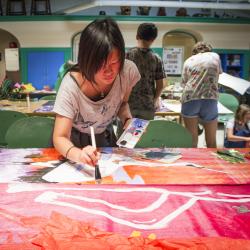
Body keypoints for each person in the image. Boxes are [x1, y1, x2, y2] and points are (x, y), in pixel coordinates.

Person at [53, 18, 141, 166]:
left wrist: (127, 119)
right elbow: (60, 137)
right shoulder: (71, 85)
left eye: (114, 62)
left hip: (105, 137)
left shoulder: (127, 71)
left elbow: (122, 103)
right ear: (86, 60)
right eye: (101, 64)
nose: (109, 71)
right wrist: (79, 154)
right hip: (73, 142)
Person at [181, 41, 223, 148]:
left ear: (194, 51)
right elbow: (217, 75)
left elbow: (184, 83)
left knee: (192, 140)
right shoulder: (214, 56)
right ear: (209, 50)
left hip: (190, 98)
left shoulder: (188, 60)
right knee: (211, 141)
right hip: (210, 98)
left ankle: (194, 163)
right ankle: (211, 163)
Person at [126, 23, 166, 120]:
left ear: (137, 36)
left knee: (125, 134)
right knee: (144, 134)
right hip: (147, 106)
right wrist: (154, 99)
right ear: (153, 39)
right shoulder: (157, 59)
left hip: (127, 105)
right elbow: (160, 85)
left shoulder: (127, 56)